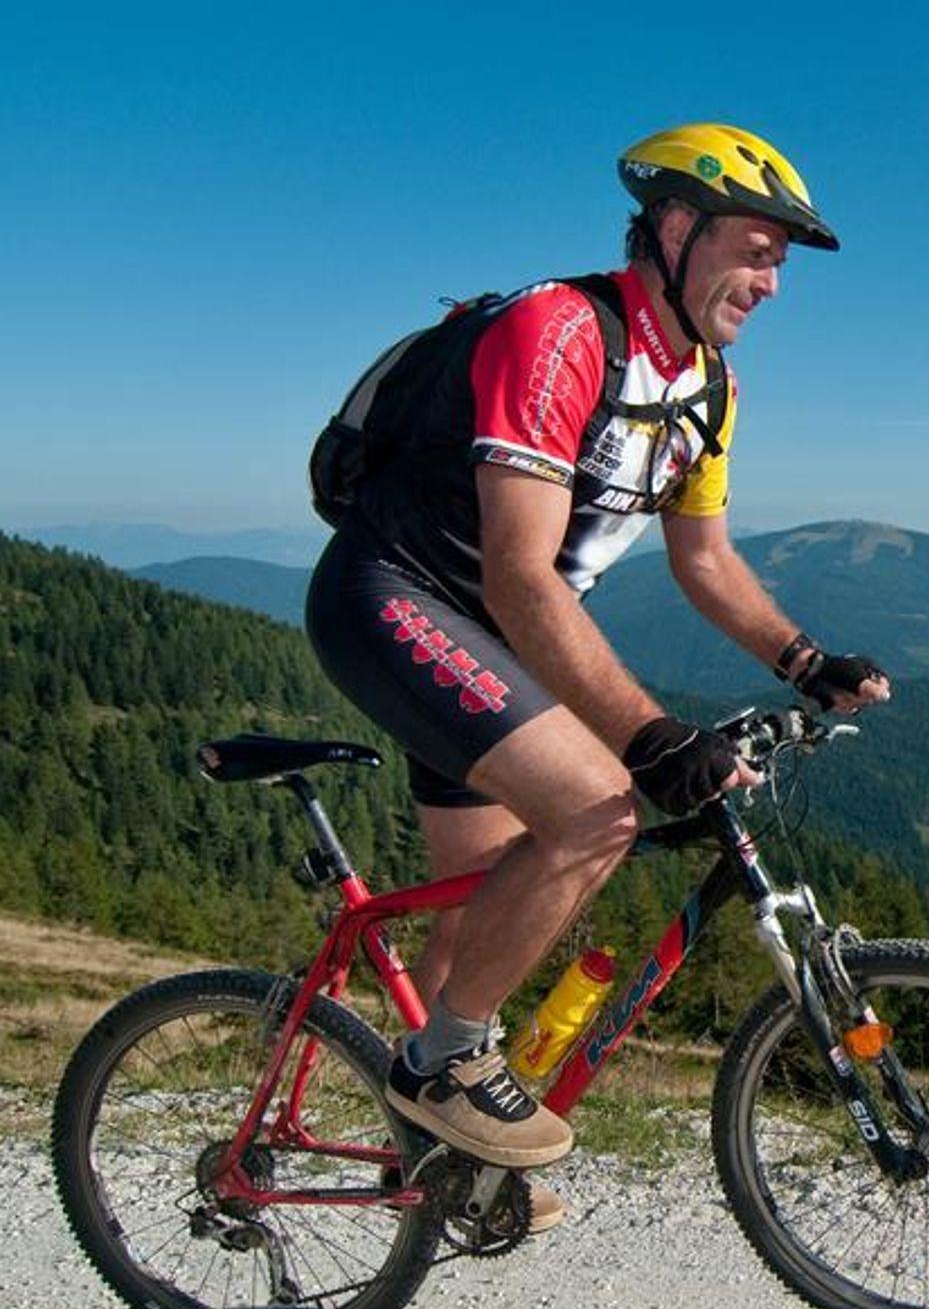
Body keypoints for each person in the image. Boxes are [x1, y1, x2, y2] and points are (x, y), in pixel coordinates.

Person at [304, 124, 889, 1222]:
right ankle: (448, 1062)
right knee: (596, 811)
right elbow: (523, 578)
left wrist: (805, 660)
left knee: (484, 903)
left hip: (492, 645)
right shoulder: (559, 332)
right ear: (675, 226)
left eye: (779, 263)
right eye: (756, 251)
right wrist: (649, 736)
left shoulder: (708, 387)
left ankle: (424, 1169)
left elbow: (704, 560)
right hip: (396, 602)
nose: (770, 283)